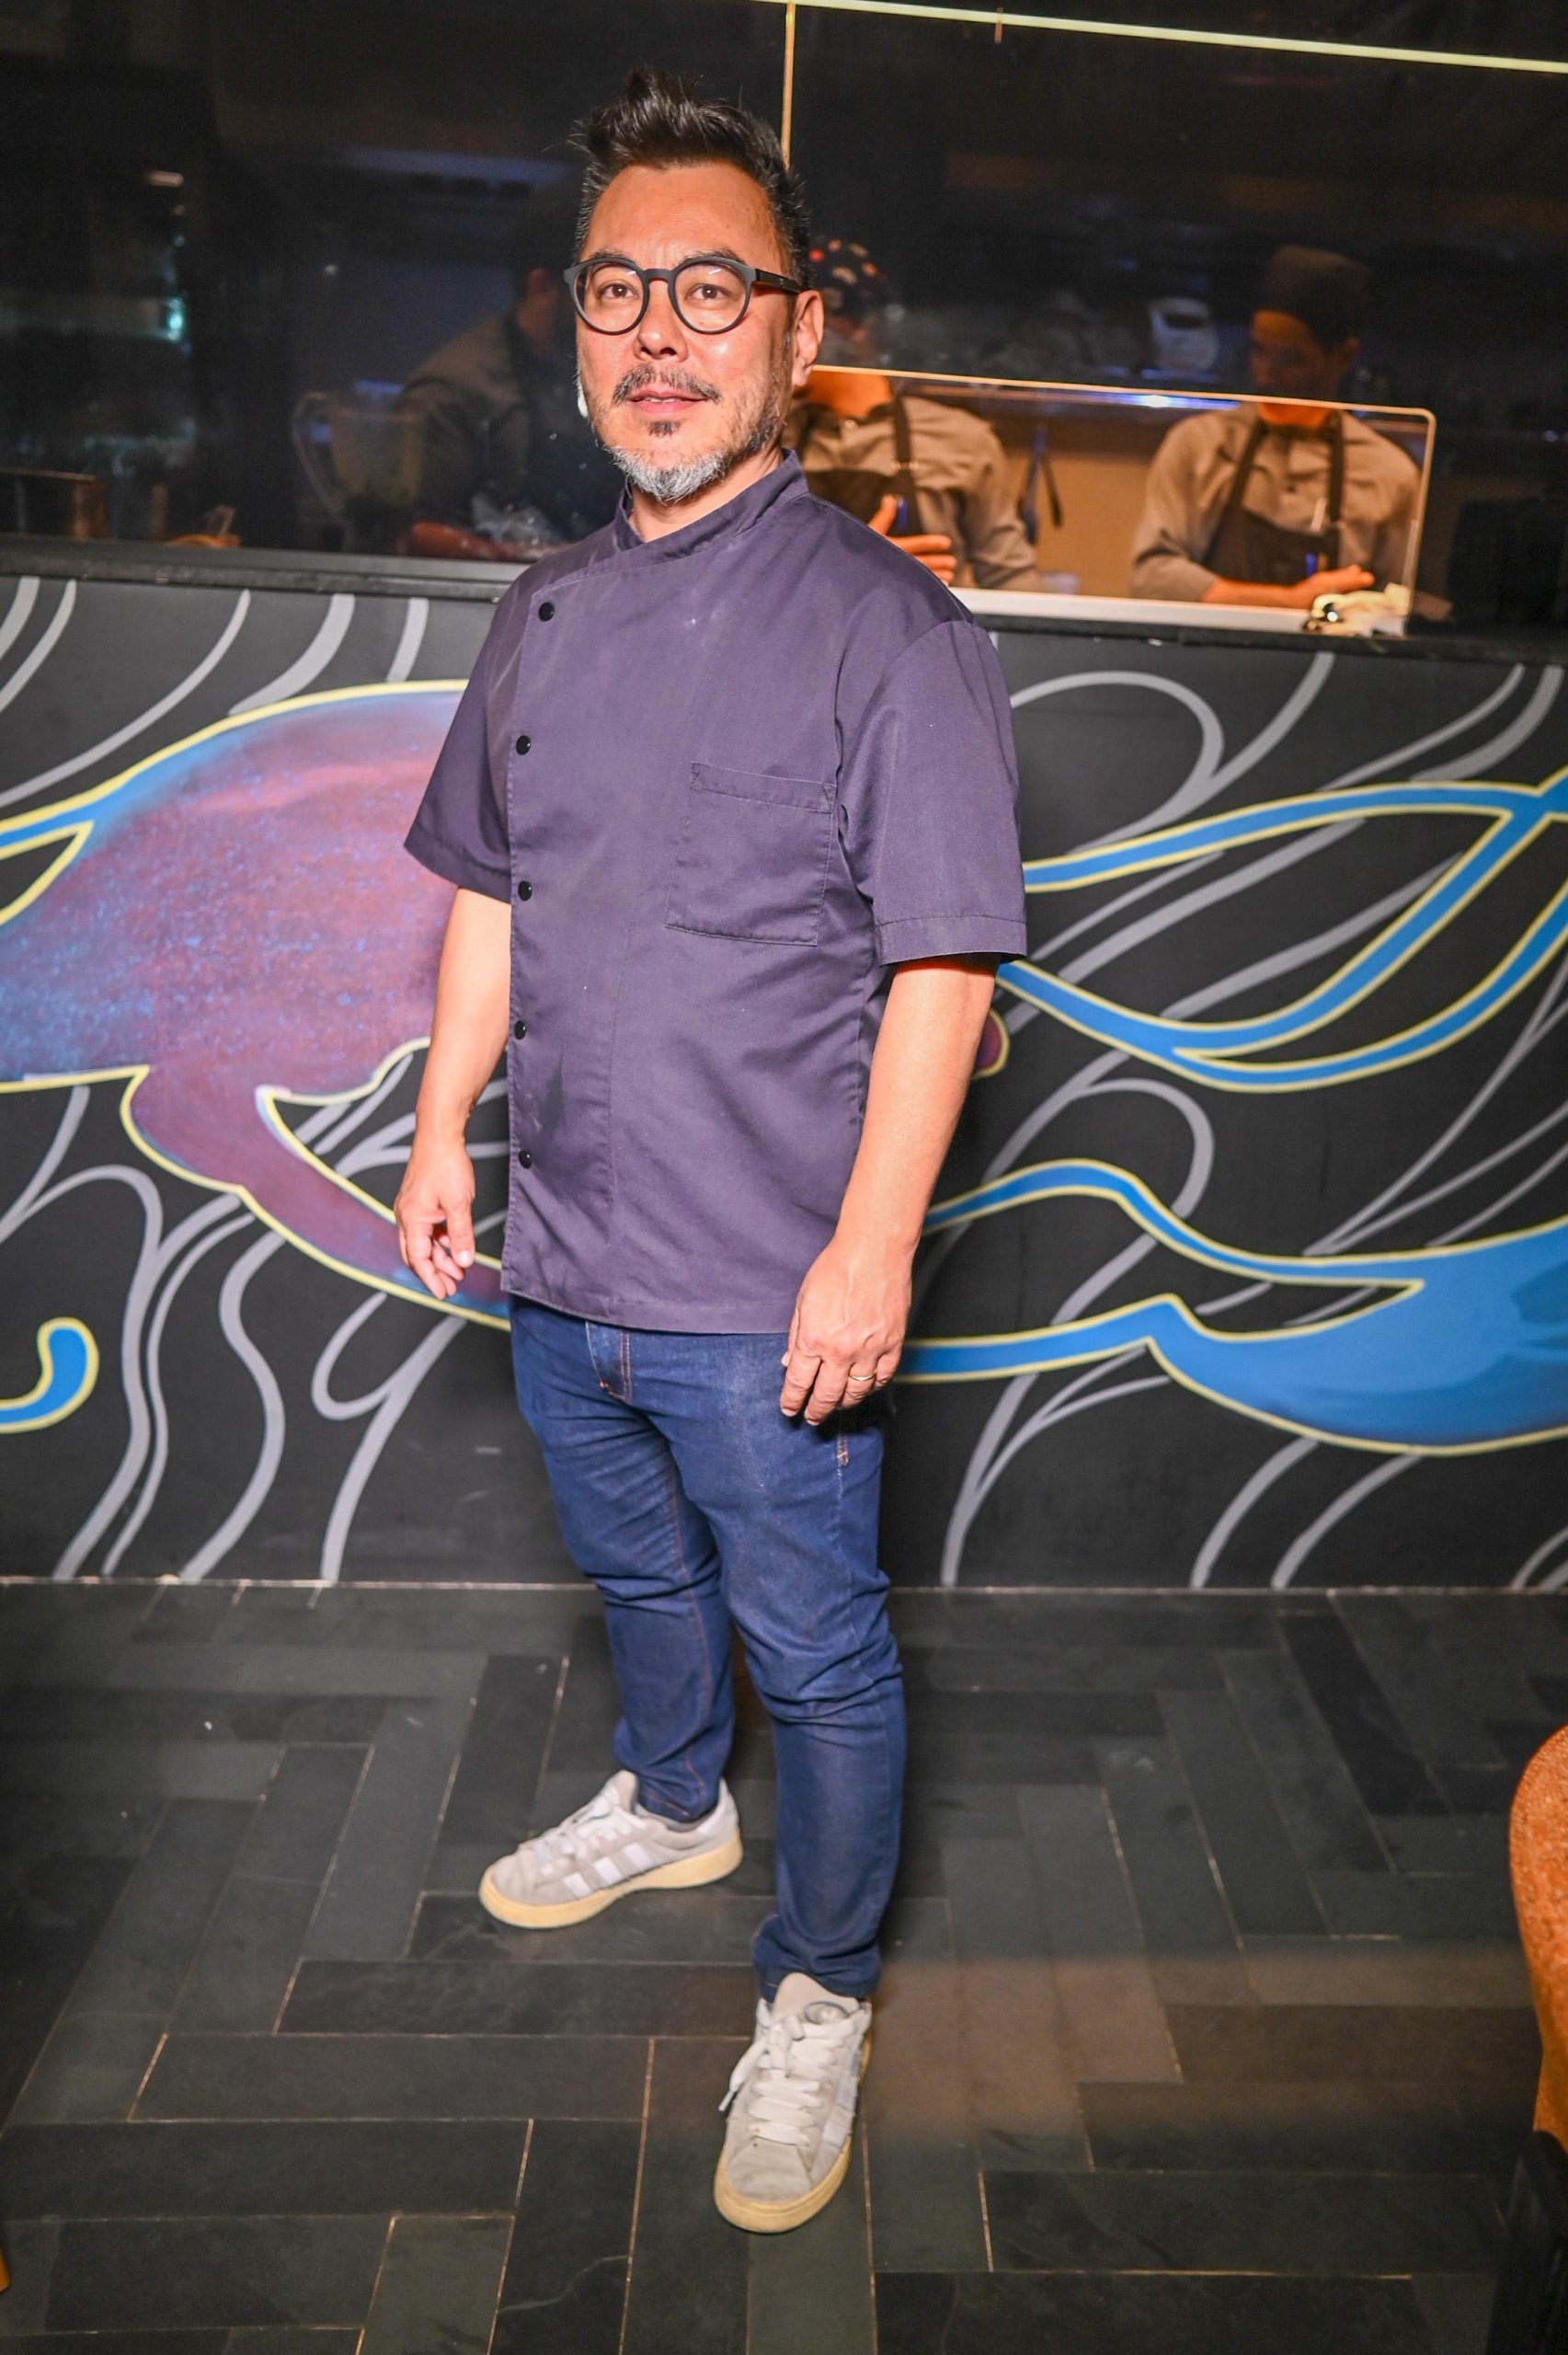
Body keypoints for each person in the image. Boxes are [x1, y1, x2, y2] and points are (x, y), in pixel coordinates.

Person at [393, 70, 1024, 2234]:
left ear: (797, 327)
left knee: (819, 1647)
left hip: (770, 1288)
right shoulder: (540, 610)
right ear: (574, 326)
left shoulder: (890, 629)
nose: (657, 334)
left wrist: (871, 1250)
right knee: (640, 1577)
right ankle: (674, 1796)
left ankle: (821, 1982)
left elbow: (942, 964)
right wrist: (440, 1127)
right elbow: (491, 892)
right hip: (562, 1254)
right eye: (615, 291)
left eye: (709, 289)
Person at [1128, 245, 1418, 608]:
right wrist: (1290, 602)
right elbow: (1152, 578)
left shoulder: (1390, 474)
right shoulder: (1198, 444)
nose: (1266, 375)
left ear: (1344, 356)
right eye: (1259, 351)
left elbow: (1396, 607)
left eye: (1291, 360)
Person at [793, 237, 1045, 590]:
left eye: (794, 324)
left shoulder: (961, 438)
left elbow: (1012, 580)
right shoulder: (768, 440)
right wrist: (856, 569)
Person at [395, 197, 621, 557]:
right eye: (602, 291)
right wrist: (540, 560)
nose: (616, 310)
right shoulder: (458, 388)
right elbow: (409, 533)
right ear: (542, 287)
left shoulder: (601, 370)